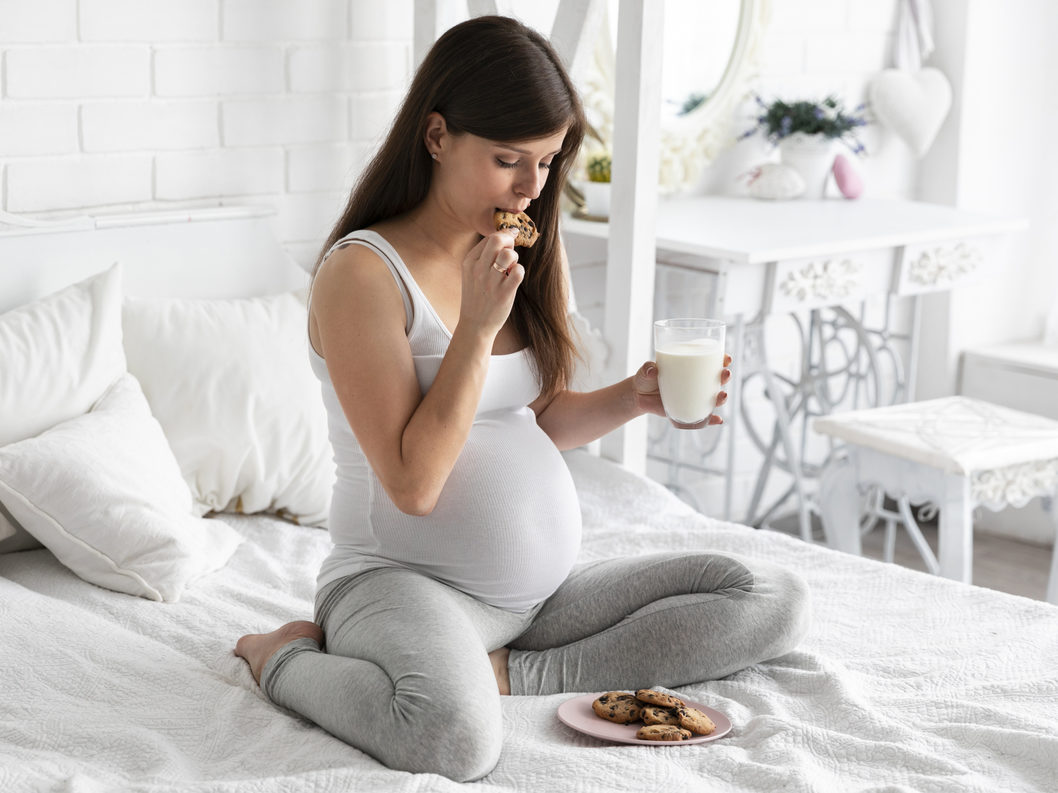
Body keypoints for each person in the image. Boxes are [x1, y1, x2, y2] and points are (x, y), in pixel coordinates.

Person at [235, 15, 809, 782]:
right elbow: (413, 483)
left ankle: (506, 671)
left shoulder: (519, 250)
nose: (531, 188)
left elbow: (534, 415)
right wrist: (474, 328)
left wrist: (636, 398)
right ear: (436, 136)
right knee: (453, 740)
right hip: (399, 582)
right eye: (508, 159)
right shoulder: (363, 276)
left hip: (537, 601)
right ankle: (281, 655)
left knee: (770, 594)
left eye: (546, 161)